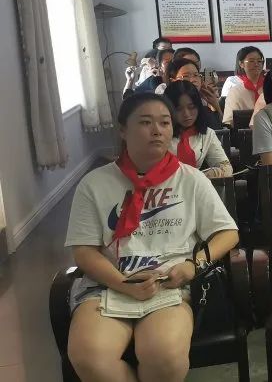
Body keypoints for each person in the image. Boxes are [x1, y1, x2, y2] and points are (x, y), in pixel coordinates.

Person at [64, 92, 239, 382]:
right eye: (146, 122)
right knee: (90, 358)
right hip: (108, 285)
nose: (157, 130)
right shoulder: (95, 183)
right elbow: (84, 251)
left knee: (164, 356)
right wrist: (123, 284)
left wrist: (193, 265)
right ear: (123, 130)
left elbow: (228, 233)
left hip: (169, 285)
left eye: (165, 123)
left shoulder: (191, 178)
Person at [163, 81, 232, 177]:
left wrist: (197, 178)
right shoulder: (160, 133)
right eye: (178, 109)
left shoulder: (206, 134)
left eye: (191, 107)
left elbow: (226, 168)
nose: (186, 114)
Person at [221, 46, 266, 126]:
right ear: (241, 64)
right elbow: (229, 121)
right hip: (244, 131)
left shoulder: (270, 87)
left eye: (259, 61)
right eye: (251, 61)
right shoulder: (235, 91)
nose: (256, 64)